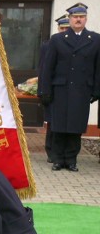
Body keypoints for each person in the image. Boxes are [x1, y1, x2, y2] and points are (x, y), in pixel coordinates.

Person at [38, 3, 100, 172]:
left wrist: (96, 90)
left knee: (75, 127)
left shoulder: (95, 39)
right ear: (70, 19)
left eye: (81, 17)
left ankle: (71, 160)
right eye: (75, 17)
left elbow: (97, 68)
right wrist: (45, 90)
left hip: (81, 91)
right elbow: (47, 67)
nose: (78, 19)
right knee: (58, 126)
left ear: (86, 19)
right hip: (61, 90)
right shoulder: (57, 40)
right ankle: (58, 159)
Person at [39, 15, 70, 164]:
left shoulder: (73, 45)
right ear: (57, 28)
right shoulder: (48, 45)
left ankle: (63, 153)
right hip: (51, 90)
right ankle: (50, 151)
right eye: (61, 28)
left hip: (66, 91)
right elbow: (43, 70)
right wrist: (42, 91)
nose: (64, 30)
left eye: (66, 28)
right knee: (52, 122)